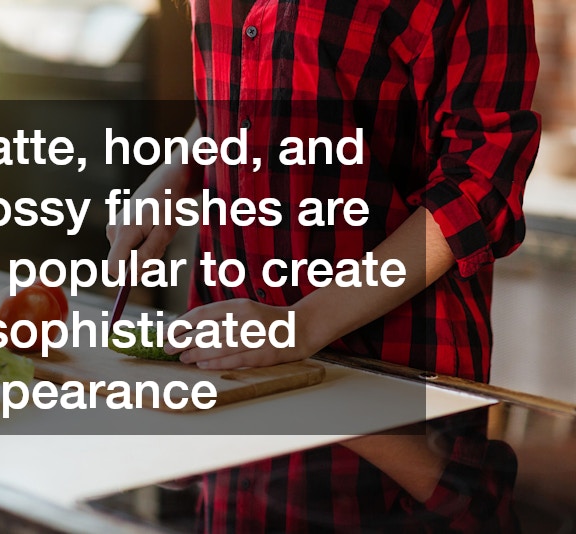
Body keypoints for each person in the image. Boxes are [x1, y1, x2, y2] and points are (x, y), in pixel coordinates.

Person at [106, 0, 539, 530]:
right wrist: (175, 172)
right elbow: (252, 76)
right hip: (231, 365)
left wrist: (300, 325)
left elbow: (480, 181)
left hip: (395, 387)